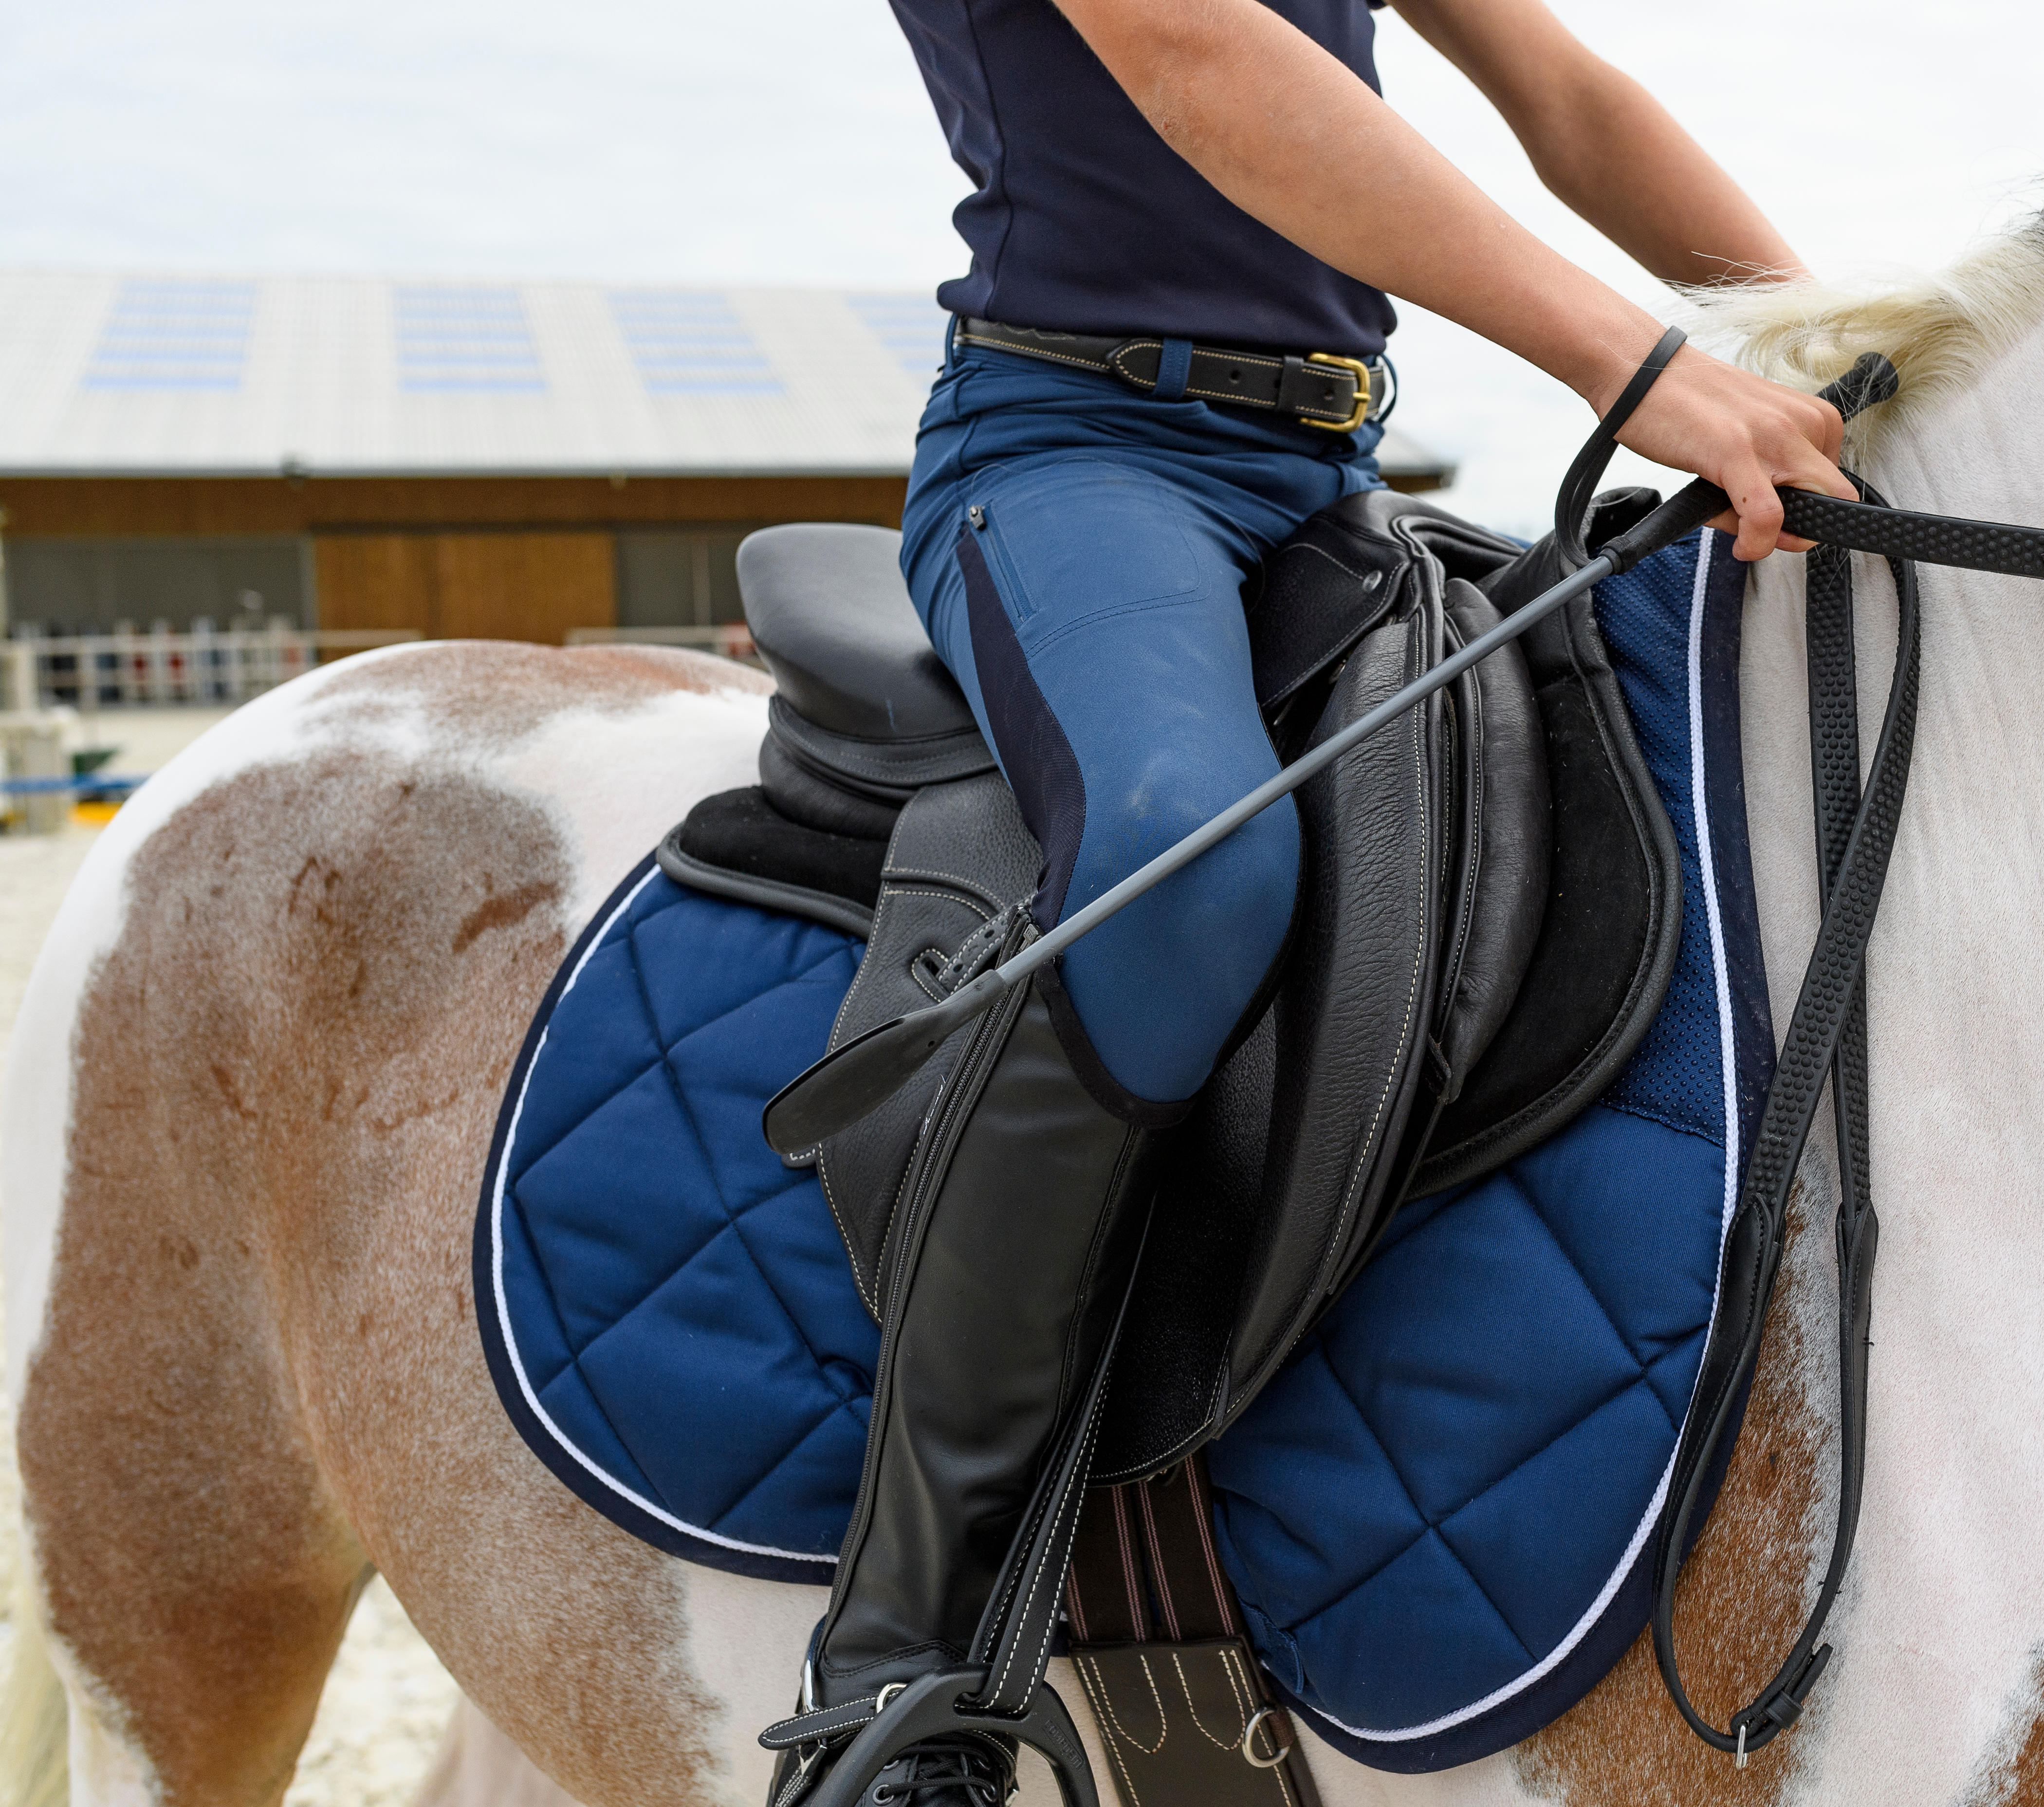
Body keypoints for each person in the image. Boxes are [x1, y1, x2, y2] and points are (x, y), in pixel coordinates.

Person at [771, 0, 1855, 1800]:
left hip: (1332, 476)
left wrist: (1827, 348)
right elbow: (1200, 53)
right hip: (1076, 454)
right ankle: (896, 1659)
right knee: (1189, 856)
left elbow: (1567, 96)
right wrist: (1641, 367)